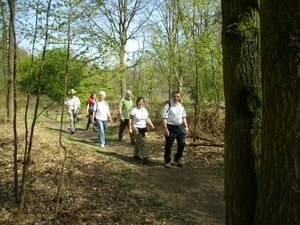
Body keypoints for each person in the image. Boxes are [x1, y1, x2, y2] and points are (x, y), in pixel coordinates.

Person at [161, 91, 189, 168]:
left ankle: (178, 158)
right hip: (171, 128)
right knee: (169, 145)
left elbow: (184, 117)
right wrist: (166, 129)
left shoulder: (181, 106)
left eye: (177, 96)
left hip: (180, 128)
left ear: (180, 97)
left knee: (182, 144)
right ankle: (167, 161)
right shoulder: (168, 106)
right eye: (174, 96)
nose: (176, 98)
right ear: (171, 97)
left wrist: (186, 126)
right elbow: (164, 118)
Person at [129, 97, 155, 162]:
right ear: (137, 102)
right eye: (140, 101)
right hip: (136, 127)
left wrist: (152, 125)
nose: (141, 103)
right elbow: (130, 119)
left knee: (138, 142)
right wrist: (130, 128)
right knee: (141, 142)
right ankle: (145, 156)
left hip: (143, 128)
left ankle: (135, 154)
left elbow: (147, 119)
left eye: (142, 101)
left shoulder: (145, 110)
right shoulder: (134, 110)